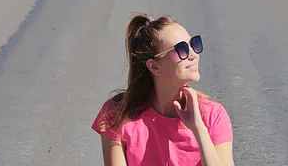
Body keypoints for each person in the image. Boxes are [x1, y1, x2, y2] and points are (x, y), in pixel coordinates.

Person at [92, 13, 234, 165]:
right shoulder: (116, 114)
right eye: (182, 49)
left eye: (194, 44)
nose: (193, 55)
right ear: (154, 66)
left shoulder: (213, 115)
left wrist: (199, 129)